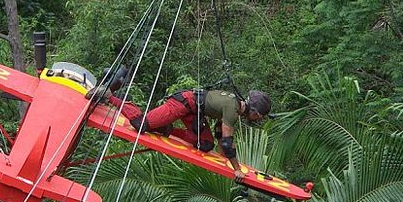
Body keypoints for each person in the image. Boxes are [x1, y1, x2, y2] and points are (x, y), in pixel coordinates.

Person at [86, 86, 271, 183]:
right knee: (141, 124)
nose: (256, 119)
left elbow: (218, 131)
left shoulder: (235, 104)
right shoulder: (233, 109)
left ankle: (166, 129)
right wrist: (236, 169)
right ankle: (109, 96)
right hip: (183, 103)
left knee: (205, 145)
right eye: (259, 116)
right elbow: (227, 142)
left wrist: (224, 156)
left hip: (195, 111)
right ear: (253, 111)